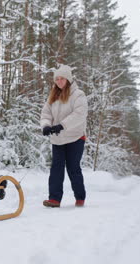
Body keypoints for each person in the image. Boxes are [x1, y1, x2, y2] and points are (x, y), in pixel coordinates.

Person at [40, 64, 88, 207]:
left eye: (62, 79)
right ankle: (54, 199)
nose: (59, 81)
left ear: (68, 79)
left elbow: (79, 114)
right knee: (56, 168)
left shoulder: (78, 95)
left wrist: (62, 125)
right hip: (58, 138)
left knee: (73, 167)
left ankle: (80, 197)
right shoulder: (53, 96)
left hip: (76, 137)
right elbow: (46, 114)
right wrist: (46, 126)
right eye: (57, 79)